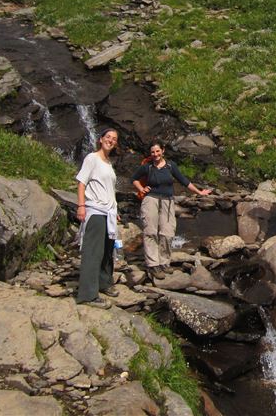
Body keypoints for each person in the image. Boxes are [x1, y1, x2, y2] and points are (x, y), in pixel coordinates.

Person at [131, 141, 212, 279]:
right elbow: (134, 179)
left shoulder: (170, 166)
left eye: (157, 151)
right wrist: (141, 189)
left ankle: (164, 262)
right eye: (152, 152)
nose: (155, 154)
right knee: (151, 232)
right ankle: (153, 265)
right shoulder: (147, 167)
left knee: (167, 233)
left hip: (168, 201)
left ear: (163, 151)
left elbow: (184, 181)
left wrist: (199, 192)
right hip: (151, 200)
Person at [75, 128, 120, 309]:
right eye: (108, 137)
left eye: (114, 139)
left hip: (108, 212)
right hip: (95, 210)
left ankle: (103, 283)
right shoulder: (92, 158)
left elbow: (109, 189)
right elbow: (81, 183)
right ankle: (87, 294)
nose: (110, 140)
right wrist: (81, 206)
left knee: (107, 251)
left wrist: (115, 210)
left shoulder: (108, 163)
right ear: (101, 139)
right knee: (93, 252)